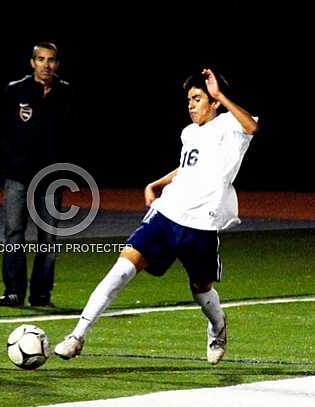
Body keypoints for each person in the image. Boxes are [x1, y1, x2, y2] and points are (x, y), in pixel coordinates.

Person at [55, 68, 259, 365]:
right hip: (167, 214)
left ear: (213, 102)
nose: (191, 104)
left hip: (202, 223)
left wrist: (220, 96)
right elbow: (188, 170)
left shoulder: (230, 125)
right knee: (122, 269)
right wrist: (158, 183)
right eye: (189, 99)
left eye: (198, 98)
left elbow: (253, 127)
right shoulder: (189, 133)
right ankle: (77, 335)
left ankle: (217, 326)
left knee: (201, 290)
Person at [0, 41, 73, 308]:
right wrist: (12, 160)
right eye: (41, 59)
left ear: (57, 64)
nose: (46, 65)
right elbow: (1, 130)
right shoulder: (16, 91)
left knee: (47, 239)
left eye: (51, 60)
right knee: (14, 234)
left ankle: (41, 295)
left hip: (51, 179)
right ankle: (13, 292)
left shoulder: (65, 93)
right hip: (18, 176)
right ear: (32, 62)